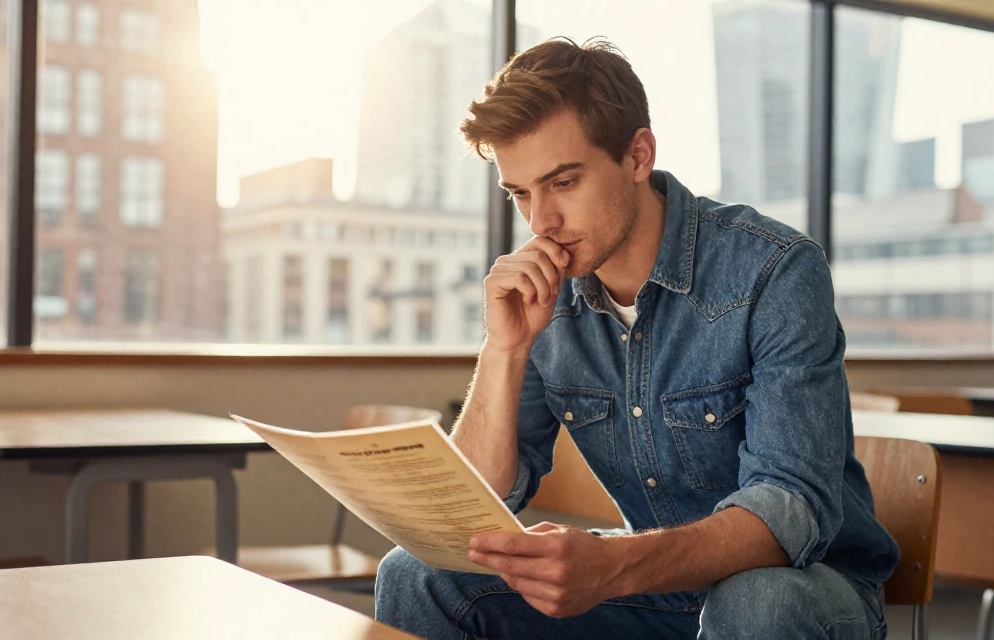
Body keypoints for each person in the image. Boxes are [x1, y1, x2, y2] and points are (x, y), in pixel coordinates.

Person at [374, 37, 899, 640]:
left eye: (564, 182)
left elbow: (789, 513)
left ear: (638, 155)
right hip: (656, 593)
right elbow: (471, 517)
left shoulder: (774, 270)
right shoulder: (549, 299)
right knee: (416, 574)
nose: (540, 221)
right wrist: (505, 350)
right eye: (521, 193)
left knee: (756, 601)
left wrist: (612, 565)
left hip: (807, 591)